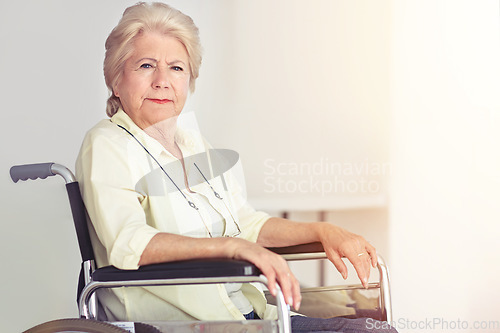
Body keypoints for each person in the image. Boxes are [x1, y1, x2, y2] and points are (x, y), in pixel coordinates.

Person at [76, 2, 397, 332]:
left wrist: (323, 231)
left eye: (176, 68)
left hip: (249, 313)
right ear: (116, 79)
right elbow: (128, 241)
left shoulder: (193, 145)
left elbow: (247, 223)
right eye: (146, 65)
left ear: (189, 81)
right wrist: (232, 247)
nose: (162, 80)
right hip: (184, 325)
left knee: (376, 328)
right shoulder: (107, 143)